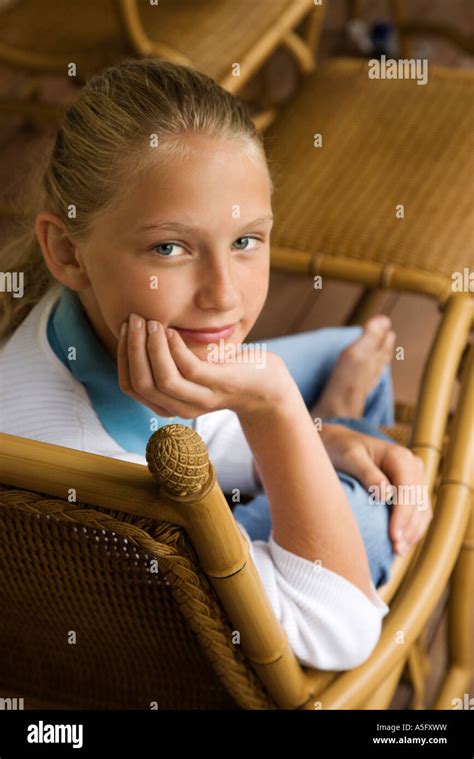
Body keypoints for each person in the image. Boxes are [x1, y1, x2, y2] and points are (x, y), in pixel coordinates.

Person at [0, 58, 432, 671]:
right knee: (367, 504)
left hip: (179, 486)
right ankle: (343, 420)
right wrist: (279, 409)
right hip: (171, 618)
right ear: (67, 252)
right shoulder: (95, 490)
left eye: (245, 241)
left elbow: (190, 431)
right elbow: (347, 630)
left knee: (346, 352)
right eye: (170, 248)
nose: (224, 295)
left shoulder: (84, 310)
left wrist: (318, 436)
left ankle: (337, 421)